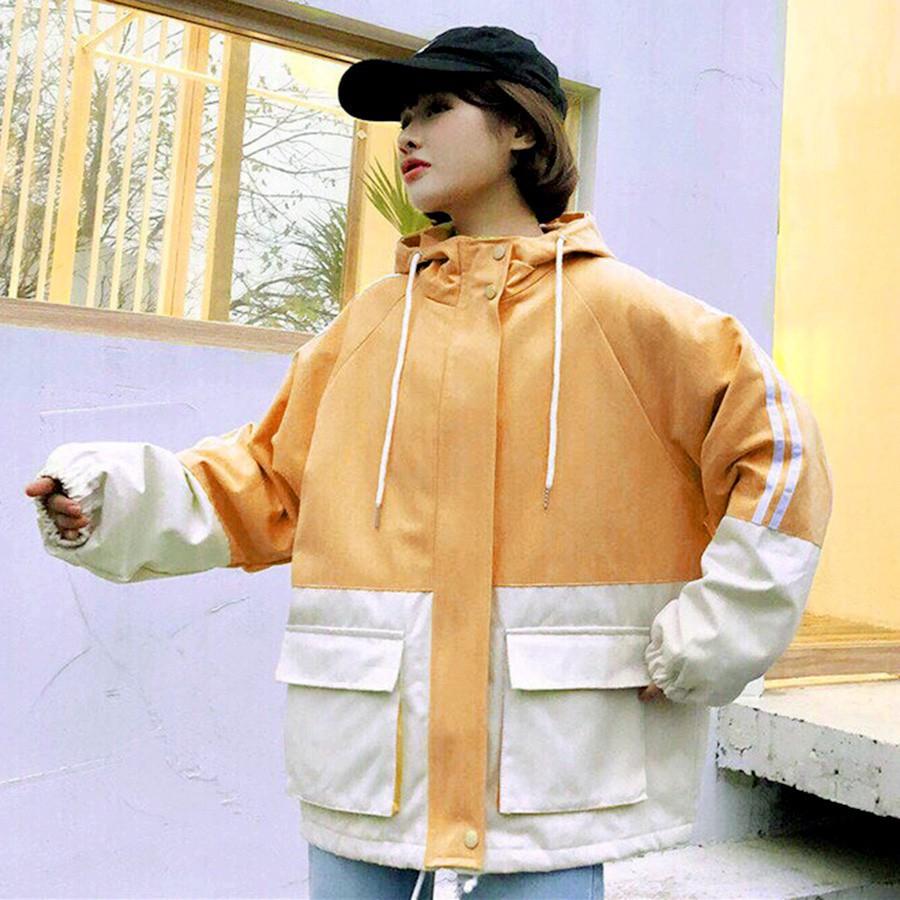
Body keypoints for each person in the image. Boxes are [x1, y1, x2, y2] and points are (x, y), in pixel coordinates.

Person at [24, 24, 833, 900]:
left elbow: (780, 454)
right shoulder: (370, 324)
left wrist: (714, 638)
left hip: (544, 787)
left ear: (519, 127)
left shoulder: (631, 316)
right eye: (402, 117)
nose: (407, 134)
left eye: (436, 108)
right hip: (372, 771)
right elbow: (265, 481)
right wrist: (110, 499)